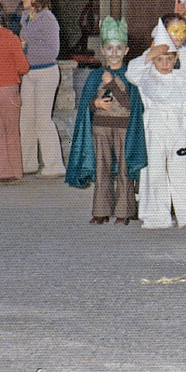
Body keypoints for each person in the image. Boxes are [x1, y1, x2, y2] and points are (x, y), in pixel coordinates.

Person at [65, 18, 145, 220]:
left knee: (124, 170)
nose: (114, 53)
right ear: (102, 50)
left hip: (124, 129)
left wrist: (113, 84)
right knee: (103, 169)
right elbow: (86, 105)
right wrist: (96, 104)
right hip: (100, 129)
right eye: (109, 48)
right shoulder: (95, 76)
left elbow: (131, 104)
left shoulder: (130, 75)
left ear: (126, 51)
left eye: (119, 48)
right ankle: (101, 212)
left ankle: (125, 212)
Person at [127, 39, 186, 228]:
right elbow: (131, 72)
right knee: (154, 172)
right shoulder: (146, 77)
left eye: (168, 59)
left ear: (175, 58)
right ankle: (155, 215)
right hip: (154, 130)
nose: (164, 64)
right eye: (159, 60)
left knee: (183, 171)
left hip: (179, 131)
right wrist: (151, 53)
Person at [18, 0, 64, 176]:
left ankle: (54, 166)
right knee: (26, 119)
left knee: (42, 120)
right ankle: (28, 163)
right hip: (29, 74)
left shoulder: (48, 19)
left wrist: (25, 48)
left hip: (46, 73)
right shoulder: (25, 17)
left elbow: (52, 51)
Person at [0, 0, 31, 186]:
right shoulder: (11, 38)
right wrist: (21, 48)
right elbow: (23, 67)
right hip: (8, 89)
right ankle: (12, 173)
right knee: (11, 131)